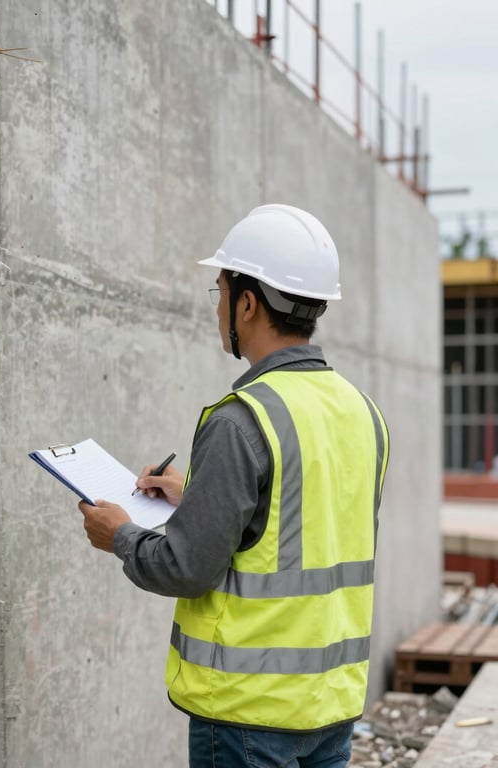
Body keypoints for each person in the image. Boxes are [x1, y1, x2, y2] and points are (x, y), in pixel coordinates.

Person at [79, 203, 390, 768]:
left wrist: (118, 535)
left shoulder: (239, 420)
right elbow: (301, 513)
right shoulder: (362, 412)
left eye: (219, 289)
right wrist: (197, 490)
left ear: (247, 303)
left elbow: (185, 567)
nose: (217, 303)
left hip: (248, 716)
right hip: (330, 706)